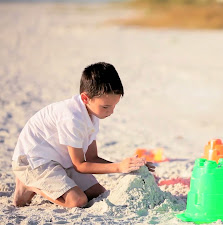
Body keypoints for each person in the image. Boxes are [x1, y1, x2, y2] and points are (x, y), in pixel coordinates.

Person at [12, 62, 155, 208]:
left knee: (99, 193)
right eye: (106, 106)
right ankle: (27, 184)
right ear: (85, 98)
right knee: (77, 201)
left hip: (62, 162)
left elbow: (92, 158)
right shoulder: (71, 117)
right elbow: (80, 165)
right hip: (34, 162)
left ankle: (45, 183)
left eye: (114, 106)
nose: (111, 112)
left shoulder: (92, 113)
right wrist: (118, 167)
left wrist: (130, 166)